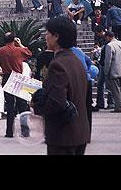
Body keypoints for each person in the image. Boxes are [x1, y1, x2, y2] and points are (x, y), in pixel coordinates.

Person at [32, 16, 90, 155]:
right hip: (79, 132)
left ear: (56, 36)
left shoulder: (58, 64)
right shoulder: (76, 60)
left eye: (48, 33)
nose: (46, 37)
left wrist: (36, 105)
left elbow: (56, 103)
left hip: (63, 135)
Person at [0, 32, 32, 138]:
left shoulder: (0, 51)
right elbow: (29, 53)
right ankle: (25, 132)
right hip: (18, 78)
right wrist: (20, 44)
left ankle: (9, 132)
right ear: (14, 39)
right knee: (22, 105)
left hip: (7, 78)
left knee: (10, 106)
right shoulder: (19, 50)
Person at [102, 31, 121, 113]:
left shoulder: (109, 46)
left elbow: (108, 61)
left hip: (115, 70)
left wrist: (106, 71)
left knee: (115, 90)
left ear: (108, 37)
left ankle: (118, 107)